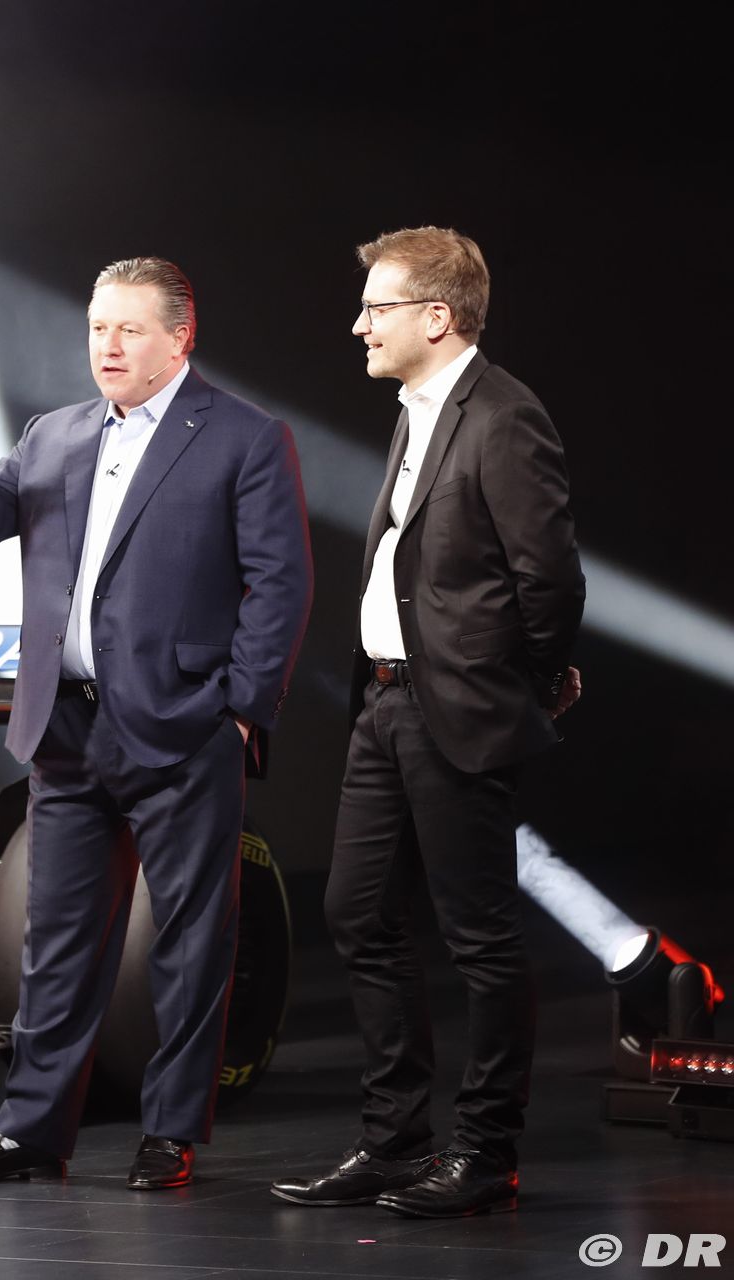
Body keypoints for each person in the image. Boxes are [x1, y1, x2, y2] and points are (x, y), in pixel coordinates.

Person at [0, 257, 313, 1189]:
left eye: (130, 329)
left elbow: (281, 586)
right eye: (98, 327)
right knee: (54, 944)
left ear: (180, 338)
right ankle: (30, 1132)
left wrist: (239, 712)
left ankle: (169, 1132)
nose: (108, 346)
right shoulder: (52, 433)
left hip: (184, 731)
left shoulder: (244, 437)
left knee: (190, 942)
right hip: (68, 734)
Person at [270, 227, 583, 1217]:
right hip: (385, 703)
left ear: (437, 316)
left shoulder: (504, 416)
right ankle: (394, 1143)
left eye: (378, 307)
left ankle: (485, 1152)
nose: (359, 324)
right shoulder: (417, 411)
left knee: (479, 936)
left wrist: (523, 682)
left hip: (457, 706)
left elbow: (548, 578)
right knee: (357, 912)